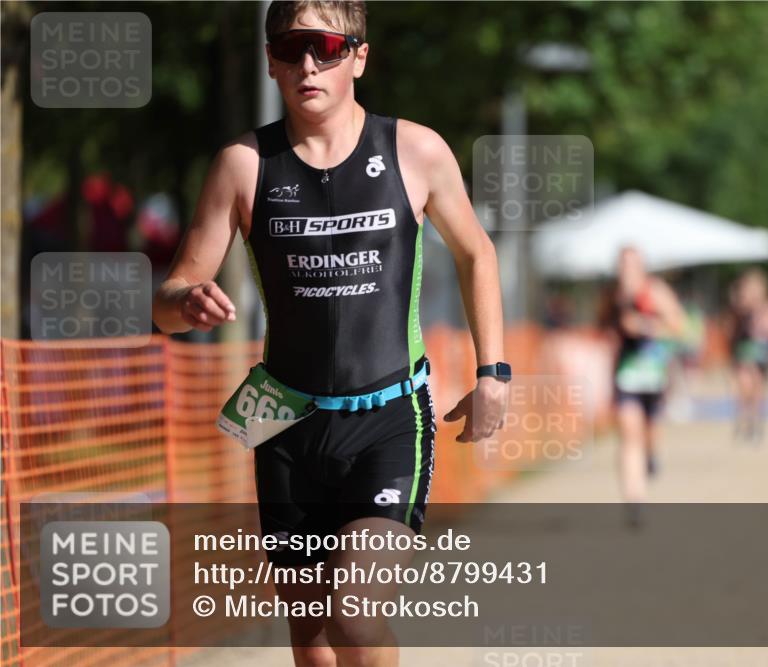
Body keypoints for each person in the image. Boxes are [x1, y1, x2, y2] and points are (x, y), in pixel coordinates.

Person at [152, 3, 509, 666]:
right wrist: (185, 301)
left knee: (353, 615)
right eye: (290, 47)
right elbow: (170, 301)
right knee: (312, 640)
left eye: (325, 45)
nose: (307, 63)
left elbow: (476, 254)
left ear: (360, 55)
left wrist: (495, 374)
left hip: (388, 418)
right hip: (284, 423)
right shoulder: (242, 164)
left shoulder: (415, 150)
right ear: (270, 60)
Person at [610, 247, 685, 527]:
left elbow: (679, 326)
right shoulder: (613, 295)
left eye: (632, 264)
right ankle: (634, 500)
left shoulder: (657, 291)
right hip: (626, 375)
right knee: (630, 435)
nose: (627, 270)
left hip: (654, 375)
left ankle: (652, 457)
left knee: (650, 435)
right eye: (623, 264)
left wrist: (645, 326)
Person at [727, 268, 768, 443]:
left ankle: (756, 423)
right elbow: (733, 331)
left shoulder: (766, 308)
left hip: (760, 350)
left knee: (757, 386)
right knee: (743, 385)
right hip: (744, 350)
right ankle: (745, 421)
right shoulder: (740, 309)